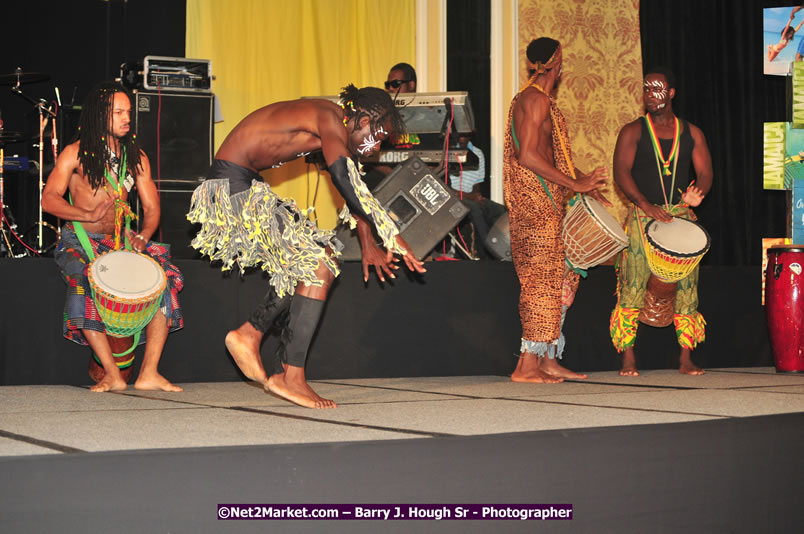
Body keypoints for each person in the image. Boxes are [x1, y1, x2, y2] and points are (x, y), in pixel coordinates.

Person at [187, 84, 426, 409]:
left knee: (312, 263)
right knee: (319, 263)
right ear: (364, 117)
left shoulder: (331, 130)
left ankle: (251, 335)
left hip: (239, 184)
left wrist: (369, 244)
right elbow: (343, 176)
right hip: (232, 186)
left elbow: (349, 188)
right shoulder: (329, 116)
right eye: (377, 135)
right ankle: (288, 373)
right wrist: (389, 231)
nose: (375, 146)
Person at [42, 82, 184, 393]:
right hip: (79, 241)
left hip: (119, 242)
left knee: (164, 280)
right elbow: (49, 199)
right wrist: (87, 216)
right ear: (97, 116)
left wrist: (144, 236)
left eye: (128, 112)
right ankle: (112, 374)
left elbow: (152, 208)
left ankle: (148, 372)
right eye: (118, 112)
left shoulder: (135, 157)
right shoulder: (75, 153)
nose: (126, 118)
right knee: (83, 281)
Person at [502, 37, 609, 383]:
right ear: (556, 61)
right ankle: (526, 365)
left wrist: (582, 182)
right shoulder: (533, 100)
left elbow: (552, 158)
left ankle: (547, 357)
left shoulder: (543, 101)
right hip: (534, 207)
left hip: (550, 204)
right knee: (540, 282)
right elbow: (528, 156)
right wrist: (574, 184)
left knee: (563, 280)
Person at [609, 67, 713, 376]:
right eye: (646, 89)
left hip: (680, 214)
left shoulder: (691, 132)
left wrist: (699, 192)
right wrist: (644, 204)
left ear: (671, 93)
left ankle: (685, 357)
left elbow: (705, 172)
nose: (650, 94)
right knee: (632, 283)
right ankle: (628, 356)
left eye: (657, 89)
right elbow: (621, 172)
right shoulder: (632, 131)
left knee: (687, 286)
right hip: (643, 215)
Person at [447, 134, 507, 259]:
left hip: (470, 195)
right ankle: (486, 253)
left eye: (466, 134)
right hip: (454, 196)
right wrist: (471, 197)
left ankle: (501, 248)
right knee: (476, 210)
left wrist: (477, 195)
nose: (463, 137)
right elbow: (446, 187)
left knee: (499, 210)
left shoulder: (478, 153)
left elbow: (477, 181)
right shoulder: (449, 151)